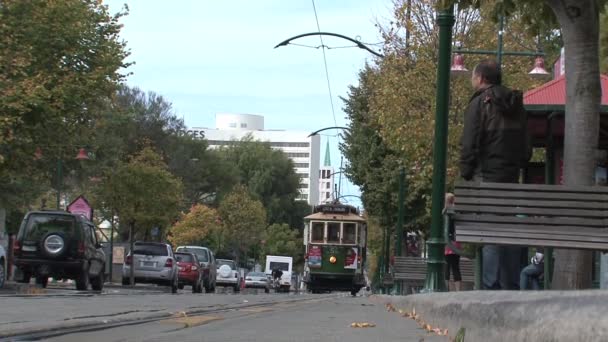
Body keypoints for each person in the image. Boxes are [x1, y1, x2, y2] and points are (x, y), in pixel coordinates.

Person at [459, 60, 531, 290]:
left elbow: (470, 142)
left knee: (489, 230)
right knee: (508, 229)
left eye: (473, 76)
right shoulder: (516, 104)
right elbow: (526, 143)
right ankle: (510, 283)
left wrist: (466, 171)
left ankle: (491, 286)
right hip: (510, 176)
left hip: (486, 176)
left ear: (481, 78)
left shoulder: (479, 103)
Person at [444, 193, 462, 291]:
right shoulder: (456, 211)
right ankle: (458, 290)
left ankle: (446, 288)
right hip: (456, 243)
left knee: (447, 266)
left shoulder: (445, 212)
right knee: (456, 267)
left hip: (448, 243)